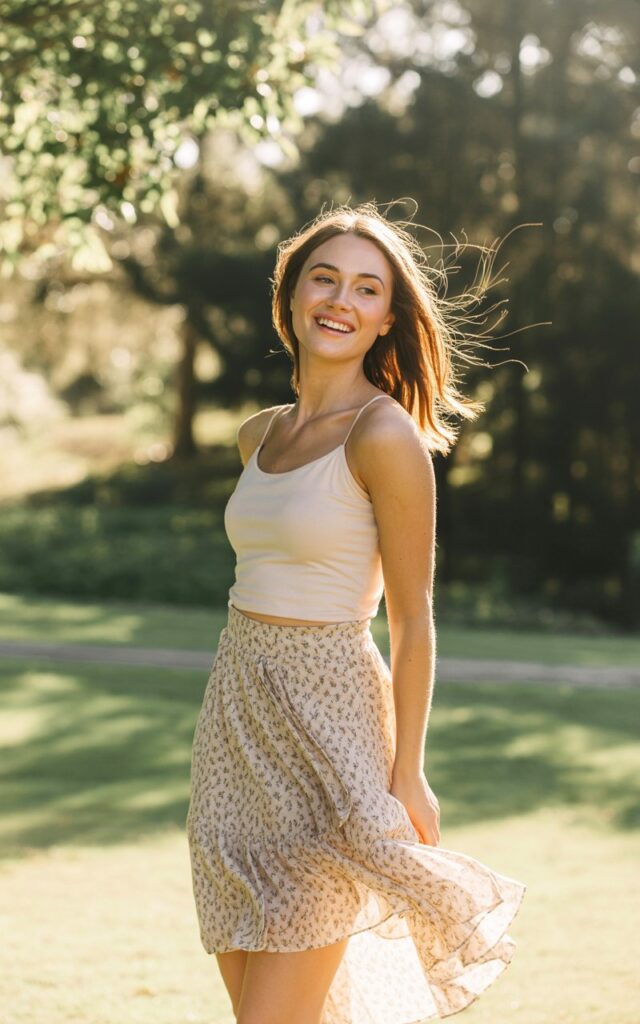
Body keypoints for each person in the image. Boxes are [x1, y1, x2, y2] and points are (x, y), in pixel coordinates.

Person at [186, 202, 526, 1024]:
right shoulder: (258, 436)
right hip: (234, 735)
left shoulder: (384, 437)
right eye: (325, 279)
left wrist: (408, 772)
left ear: (385, 319)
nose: (342, 300)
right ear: (292, 297)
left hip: (333, 736)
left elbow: (413, 619)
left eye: (367, 289)